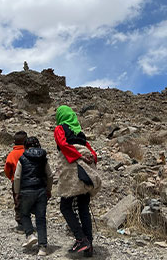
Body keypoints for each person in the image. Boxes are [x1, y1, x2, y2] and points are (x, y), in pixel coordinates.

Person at [54, 106, 101, 257]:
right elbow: (92, 153)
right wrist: (90, 159)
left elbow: (63, 144)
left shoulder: (60, 128)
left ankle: (81, 239)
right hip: (84, 172)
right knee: (83, 208)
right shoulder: (80, 132)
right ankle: (89, 246)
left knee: (65, 206)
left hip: (71, 171)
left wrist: (78, 156)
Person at [14, 136, 52, 257]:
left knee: (24, 213)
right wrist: (48, 190)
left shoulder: (23, 158)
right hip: (41, 190)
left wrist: (17, 192)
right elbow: (50, 175)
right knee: (41, 218)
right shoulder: (43, 158)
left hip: (26, 190)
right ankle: (43, 247)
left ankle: (30, 235)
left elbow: (17, 177)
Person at [4, 131, 27, 230]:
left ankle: (21, 224)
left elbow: (7, 169)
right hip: (29, 181)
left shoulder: (12, 154)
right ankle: (28, 222)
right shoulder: (28, 152)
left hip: (16, 181)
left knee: (18, 202)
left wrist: (11, 177)